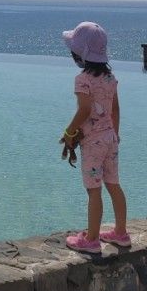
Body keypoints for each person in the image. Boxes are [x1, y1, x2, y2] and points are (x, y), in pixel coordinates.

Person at [60, 21, 130, 253]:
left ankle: (91, 240)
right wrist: (115, 135)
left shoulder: (83, 80)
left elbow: (84, 110)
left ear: (80, 55)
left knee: (94, 190)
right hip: (111, 139)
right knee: (114, 185)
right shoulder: (110, 78)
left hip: (93, 143)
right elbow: (116, 110)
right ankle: (120, 233)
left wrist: (69, 132)